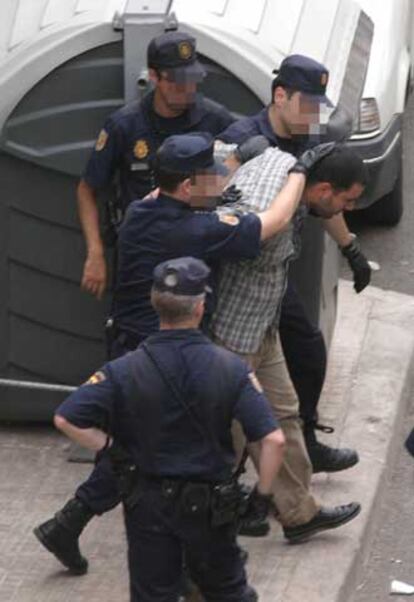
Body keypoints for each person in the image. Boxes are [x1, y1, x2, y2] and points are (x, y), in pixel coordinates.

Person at [35, 132, 322, 572]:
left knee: (137, 446)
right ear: (188, 186)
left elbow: (178, 187)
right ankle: (81, 526)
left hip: (131, 346)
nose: (220, 180)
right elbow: (273, 222)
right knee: (152, 450)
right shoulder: (196, 229)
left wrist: (236, 160)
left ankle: (67, 525)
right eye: (211, 174)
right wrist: (298, 173)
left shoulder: (142, 209)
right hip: (163, 357)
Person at [53, 256, 286, 602]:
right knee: (227, 591)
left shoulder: (123, 370)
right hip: (210, 507)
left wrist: (112, 448)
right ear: (201, 307)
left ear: (154, 303)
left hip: (148, 504)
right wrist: (261, 497)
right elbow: (274, 440)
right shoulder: (231, 369)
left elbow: (66, 418)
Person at [218, 54, 371, 473]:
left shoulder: (307, 139)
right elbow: (202, 193)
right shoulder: (241, 135)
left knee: (306, 351)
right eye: (308, 103)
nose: (315, 114)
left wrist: (351, 249)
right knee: (232, 394)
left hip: (275, 276)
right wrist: (232, 161)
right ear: (280, 95)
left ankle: (304, 443)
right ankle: (229, 483)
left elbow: (328, 196)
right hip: (237, 281)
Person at [210, 142, 365, 542]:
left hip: (264, 324)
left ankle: (298, 513)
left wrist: (351, 248)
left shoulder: (301, 180)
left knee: (284, 414)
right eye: (344, 201)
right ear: (324, 188)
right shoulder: (274, 190)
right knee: (232, 430)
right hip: (234, 333)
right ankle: (215, 512)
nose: (342, 211)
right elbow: (252, 228)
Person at [77, 28, 234, 300]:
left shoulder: (215, 120)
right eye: (176, 82)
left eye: (191, 80)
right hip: (142, 256)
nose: (187, 89)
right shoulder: (125, 125)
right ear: (154, 77)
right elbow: (87, 189)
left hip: (197, 255)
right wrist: (95, 253)